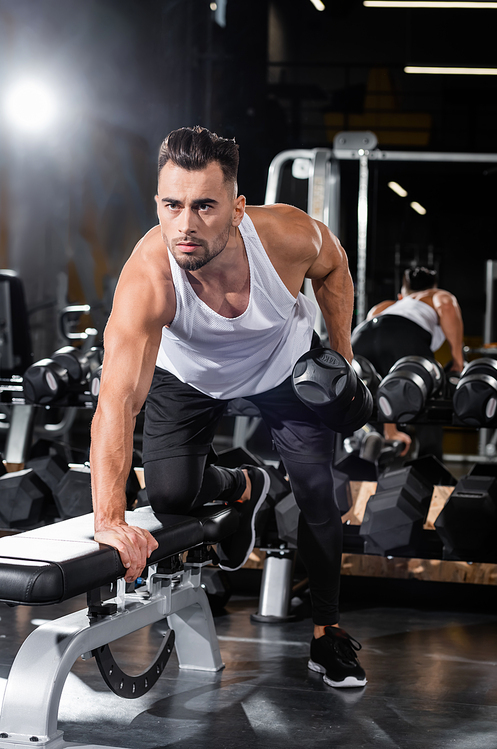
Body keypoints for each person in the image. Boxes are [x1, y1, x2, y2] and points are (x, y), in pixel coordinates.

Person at [90, 126, 366, 689]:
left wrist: (342, 356)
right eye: (172, 205)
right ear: (159, 204)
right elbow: (116, 402)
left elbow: (334, 266)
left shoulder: (284, 236)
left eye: (204, 206)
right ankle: (245, 484)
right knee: (168, 493)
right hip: (189, 374)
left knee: (317, 493)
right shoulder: (149, 277)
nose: (185, 225)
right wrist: (109, 520)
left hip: (283, 365)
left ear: (237, 209)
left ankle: (328, 635)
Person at [351, 266, 464, 457]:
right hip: (404, 334)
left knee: (369, 396)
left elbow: (375, 321)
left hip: (362, 336)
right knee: (429, 395)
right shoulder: (433, 295)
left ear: (402, 293)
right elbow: (446, 305)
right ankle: (430, 467)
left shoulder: (388, 305)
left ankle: (379, 439)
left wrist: (391, 427)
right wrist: (458, 362)